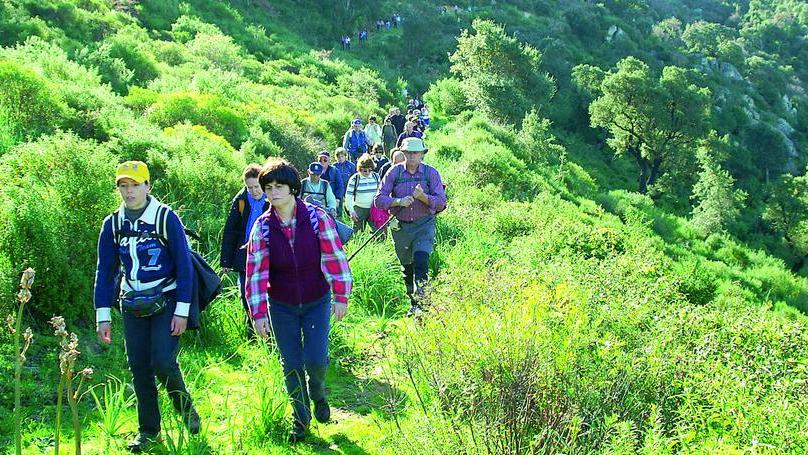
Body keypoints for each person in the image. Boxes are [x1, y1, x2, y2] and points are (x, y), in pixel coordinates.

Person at [94, 161, 200, 452]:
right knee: (139, 367)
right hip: (131, 303)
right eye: (123, 186)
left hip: (166, 299)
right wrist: (103, 315)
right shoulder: (113, 224)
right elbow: (105, 271)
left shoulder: (165, 217)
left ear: (147, 186)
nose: (129, 192)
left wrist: (182, 310)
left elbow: (184, 266)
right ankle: (149, 432)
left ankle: (185, 408)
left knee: (163, 362)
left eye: (135, 185)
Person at [245, 158, 352, 442]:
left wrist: (341, 295)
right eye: (268, 188)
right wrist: (258, 314)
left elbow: (334, 257)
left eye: (279, 186)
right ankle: (301, 419)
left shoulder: (316, 219)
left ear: (292, 188)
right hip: (281, 305)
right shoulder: (262, 228)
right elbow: (255, 273)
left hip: (317, 301)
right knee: (291, 363)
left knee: (316, 360)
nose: (273, 192)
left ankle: (317, 392)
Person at [374, 138, 446, 316]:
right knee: (407, 267)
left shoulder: (431, 173)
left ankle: (422, 304)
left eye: (416, 153)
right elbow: (379, 200)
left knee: (421, 261)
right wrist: (398, 201)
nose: (412, 156)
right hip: (401, 227)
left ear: (422, 154)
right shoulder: (394, 172)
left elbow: (441, 203)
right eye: (408, 153)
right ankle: (412, 302)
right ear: (403, 153)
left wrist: (423, 198)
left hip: (424, 225)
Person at [220, 163, 269, 340]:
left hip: (267, 255)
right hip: (244, 256)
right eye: (250, 187)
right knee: (245, 293)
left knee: (266, 293)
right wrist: (226, 260)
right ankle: (252, 331)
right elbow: (230, 230)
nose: (254, 191)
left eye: (257, 186)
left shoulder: (272, 199)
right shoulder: (240, 200)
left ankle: (270, 331)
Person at [345, 154, 382, 232]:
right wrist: (352, 212)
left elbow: (380, 193)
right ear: (360, 169)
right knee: (357, 233)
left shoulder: (376, 176)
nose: (367, 173)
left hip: (374, 208)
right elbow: (348, 197)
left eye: (370, 170)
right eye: (365, 170)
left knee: (379, 232)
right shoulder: (355, 179)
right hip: (359, 209)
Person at [317, 151, 345, 216]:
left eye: (325, 160)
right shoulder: (315, 171)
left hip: (333, 200)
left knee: (335, 219)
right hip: (319, 201)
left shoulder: (335, 171)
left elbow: (340, 186)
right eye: (320, 160)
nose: (322, 162)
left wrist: (337, 199)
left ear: (329, 160)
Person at [333, 148, 356, 214]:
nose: (340, 158)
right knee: (338, 203)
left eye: (342, 156)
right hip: (338, 187)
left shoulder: (351, 165)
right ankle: (339, 215)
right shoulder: (334, 166)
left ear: (345, 156)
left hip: (348, 187)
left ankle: (350, 214)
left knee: (349, 202)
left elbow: (354, 177)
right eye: (339, 157)